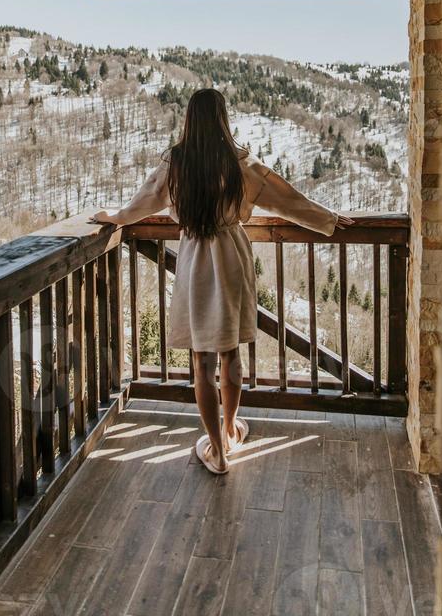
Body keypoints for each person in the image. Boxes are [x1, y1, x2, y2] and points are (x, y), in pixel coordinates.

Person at [92, 88, 353, 474]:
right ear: (222, 118)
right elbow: (286, 198)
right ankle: (230, 430)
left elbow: (142, 203)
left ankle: (217, 449)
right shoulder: (240, 163)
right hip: (230, 255)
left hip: (195, 259)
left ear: (189, 119)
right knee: (229, 352)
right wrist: (327, 219)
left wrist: (115, 217)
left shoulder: (175, 163)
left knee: (202, 359)